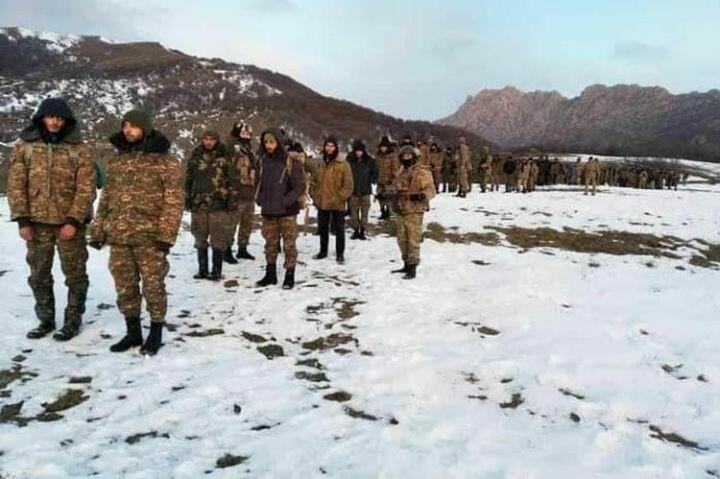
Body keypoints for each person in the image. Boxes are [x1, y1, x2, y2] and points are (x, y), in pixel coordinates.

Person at [90, 108, 183, 356]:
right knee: (125, 286)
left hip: (150, 237)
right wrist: (98, 229)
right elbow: (106, 198)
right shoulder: (118, 161)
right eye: (124, 126)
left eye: (132, 126)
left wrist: (166, 236)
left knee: (153, 286)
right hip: (119, 236)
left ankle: (155, 332)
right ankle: (133, 333)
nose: (127, 130)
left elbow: (173, 201)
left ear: (145, 127)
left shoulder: (165, 161)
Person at [7, 98, 96, 341]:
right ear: (42, 118)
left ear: (66, 121)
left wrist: (73, 221)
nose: (55, 122)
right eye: (51, 117)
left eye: (60, 118)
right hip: (36, 224)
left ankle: (72, 321)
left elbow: (86, 188)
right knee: (38, 275)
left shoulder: (79, 149)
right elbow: (16, 184)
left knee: (75, 275)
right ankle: (45, 319)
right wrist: (22, 220)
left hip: (69, 224)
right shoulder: (25, 147)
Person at [254, 130, 306, 289]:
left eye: (271, 142)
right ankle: (270, 274)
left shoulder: (291, 161)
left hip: (286, 212)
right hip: (268, 210)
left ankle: (289, 275)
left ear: (278, 142)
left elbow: (300, 187)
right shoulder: (262, 160)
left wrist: (285, 202)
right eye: (266, 142)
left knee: (289, 244)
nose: (268, 145)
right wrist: (260, 198)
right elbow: (259, 182)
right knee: (270, 243)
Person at [184, 130, 234, 281]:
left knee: (218, 238)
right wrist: (187, 198)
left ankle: (216, 271)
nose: (208, 142)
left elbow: (232, 180)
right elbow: (188, 179)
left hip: (218, 204)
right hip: (199, 204)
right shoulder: (196, 156)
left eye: (212, 139)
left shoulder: (225, 157)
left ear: (216, 140)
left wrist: (231, 199)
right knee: (200, 237)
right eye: (206, 139)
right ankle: (203, 270)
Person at [389, 146, 436, 279]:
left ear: (414, 157)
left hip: (415, 210)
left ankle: (412, 267)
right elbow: (395, 187)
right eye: (404, 156)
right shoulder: (400, 172)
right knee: (402, 239)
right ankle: (406, 264)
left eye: (409, 156)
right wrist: (389, 195)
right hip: (401, 209)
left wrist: (421, 195)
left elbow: (431, 190)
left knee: (413, 239)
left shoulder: (422, 172)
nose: (407, 158)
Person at [310, 136, 354, 264]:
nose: (329, 148)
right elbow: (312, 180)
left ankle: (340, 254)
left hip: (337, 202)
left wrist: (341, 197)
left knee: (339, 230)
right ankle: (322, 251)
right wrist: (314, 194)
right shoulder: (319, 162)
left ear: (335, 148)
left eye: (332, 146)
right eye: (327, 146)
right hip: (322, 201)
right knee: (323, 228)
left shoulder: (343, 164)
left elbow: (349, 185)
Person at [227, 121, 258, 261]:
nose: (246, 135)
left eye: (248, 134)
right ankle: (226, 250)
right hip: (236, 193)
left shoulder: (249, 150)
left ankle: (242, 249)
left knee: (247, 224)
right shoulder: (232, 147)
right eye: (243, 133)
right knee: (231, 224)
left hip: (249, 193)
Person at [347, 140, 377, 240]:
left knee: (365, 211)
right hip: (353, 190)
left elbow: (375, 172)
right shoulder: (350, 160)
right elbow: (345, 173)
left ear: (363, 151)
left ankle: (363, 230)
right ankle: (355, 230)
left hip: (365, 190)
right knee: (354, 212)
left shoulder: (370, 160)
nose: (359, 153)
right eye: (357, 151)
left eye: (360, 151)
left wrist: (370, 180)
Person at [374, 136, 398, 220]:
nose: (383, 148)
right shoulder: (377, 155)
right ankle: (382, 211)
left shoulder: (392, 155)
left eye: (384, 147)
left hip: (389, 180)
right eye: (382, 147)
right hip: (379, 179)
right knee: (380, 196)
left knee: (388, 197)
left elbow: (395, 167)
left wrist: (393, 177)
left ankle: (388, 211)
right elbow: (375, 166)